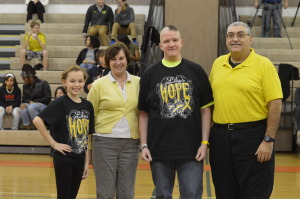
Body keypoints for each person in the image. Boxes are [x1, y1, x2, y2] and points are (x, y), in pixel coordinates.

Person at [138, 25, 213, 198]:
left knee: (192, 194)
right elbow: (143, 114)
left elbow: (206, 110)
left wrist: (204, 143)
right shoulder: (150, 74)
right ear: (160, 46)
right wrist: (144, 145)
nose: (171, 44)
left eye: (174, 40)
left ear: (181, 42)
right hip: (159, 148)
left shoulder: (196, 71)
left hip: (192, 149)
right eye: (166, 41)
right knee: (163, 195)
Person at [209, 22, 283, 199]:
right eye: (230, 35)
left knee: (254, 193)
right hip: (220, 138)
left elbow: (275, 102)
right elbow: (211, 102)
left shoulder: (264, 65)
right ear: (226, 39)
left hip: (253, 137)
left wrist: (268, 140)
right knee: (224, 192)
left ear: (250, 39)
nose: (235, 39)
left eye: (240, 35)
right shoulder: (218, 63)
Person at [87, 43, 140, 199]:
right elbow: (89, 119)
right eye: (114, 59)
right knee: (105, 193)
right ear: (107, 62)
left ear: (127, 60)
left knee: (127, 193)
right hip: (104, 143)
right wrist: (89, 149)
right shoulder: (98, 85)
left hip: (131, 144)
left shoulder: (139, 82)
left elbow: (143, 114)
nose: (118, 62)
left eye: (122, 58)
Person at [33, 65, 95, 199]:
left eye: (80, 81)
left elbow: (87, 136)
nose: (76, 84)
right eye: (72, 81)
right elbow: (37, 121)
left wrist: (86, 161)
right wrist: (54, 144)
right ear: (64, 82)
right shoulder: (60, 103)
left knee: (72, 196)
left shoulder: (88, 105)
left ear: (84, 82)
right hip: (63, 159)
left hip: (79, 159)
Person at [20, 64, 51, 130]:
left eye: (25, 77)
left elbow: (48, 98)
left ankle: (41, 127)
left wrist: (34, 102)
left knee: (31, 107)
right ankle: (28, 127)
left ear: (31, 76)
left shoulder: (43, 83)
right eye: (23, 78)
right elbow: (24, 99)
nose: (24, 80)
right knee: (22, 107)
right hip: (31, 104)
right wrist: (28, 102)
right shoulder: (25, 86)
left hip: (43, 105)